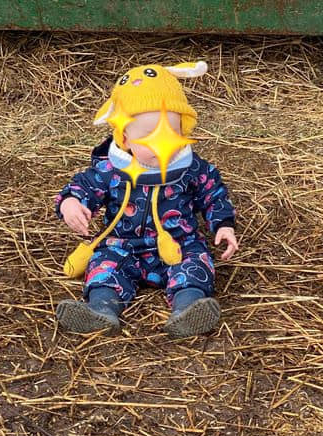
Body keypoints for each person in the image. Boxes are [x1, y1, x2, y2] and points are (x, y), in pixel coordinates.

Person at [55, 61, 239, 338]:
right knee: (104, 268)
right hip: (122, 245)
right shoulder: (111, 169)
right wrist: (71, 203)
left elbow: (213, 193)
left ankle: (188, 309)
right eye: (150, 139)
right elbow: (84, 185)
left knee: (195, 265)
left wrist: (223, 224)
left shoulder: (190, 167)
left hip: (179, 243)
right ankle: (102, 309)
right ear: (125, 138)